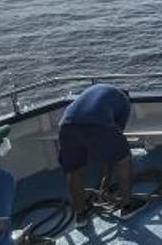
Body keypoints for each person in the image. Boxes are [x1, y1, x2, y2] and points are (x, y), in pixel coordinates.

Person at [58, 83, 144, 226]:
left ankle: (80, 214)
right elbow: (115, 142)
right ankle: (128, 206)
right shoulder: (124, 101)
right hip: (96, 123)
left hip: (66, 126)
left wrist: (106, 174)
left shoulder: (98, 89)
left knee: (74, 170)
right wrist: (107, 175)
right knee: (123, 159)